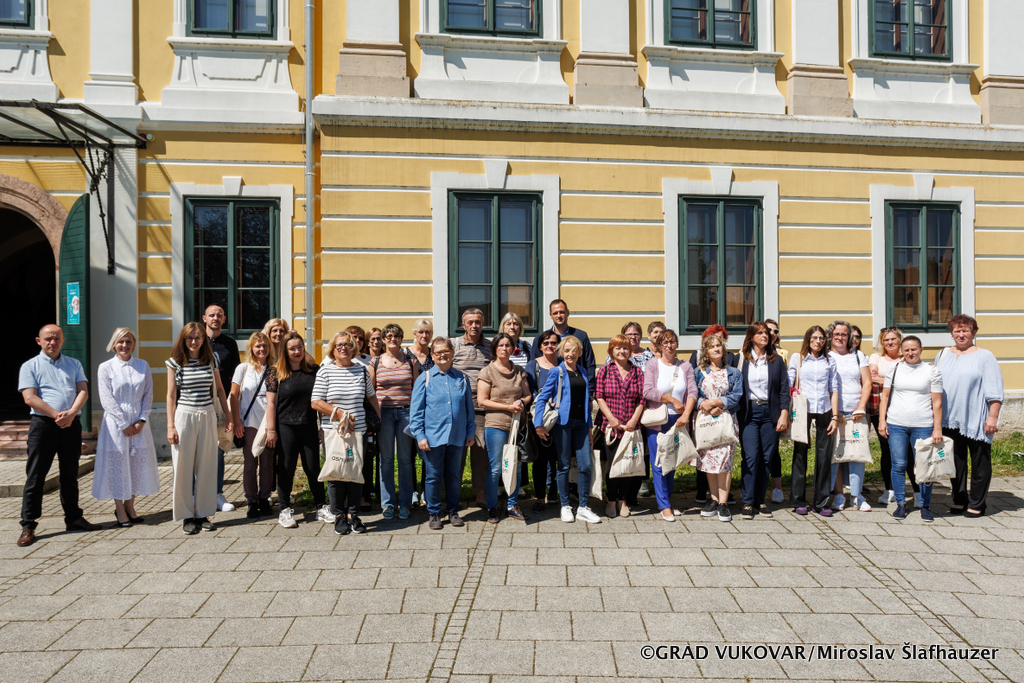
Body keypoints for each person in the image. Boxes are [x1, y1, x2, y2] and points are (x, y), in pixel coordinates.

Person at [17, 324, 102, 546]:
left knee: (70, 473)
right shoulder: (30, 366)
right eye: (48, 339)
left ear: (63, 341)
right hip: (43, 425)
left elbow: (83, 391)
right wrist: (57, 415)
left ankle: (73, 518)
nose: (52, 342)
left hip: (71, 424)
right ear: (39, 341)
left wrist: (71, 414)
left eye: (56, 338)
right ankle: (28, 524)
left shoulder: (74, 364)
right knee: (36, 475)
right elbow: (29, 397)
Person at [933, 314, 1004, 518]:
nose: (961, 334)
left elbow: (995, 390)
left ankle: (978, 503)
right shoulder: (943, 354)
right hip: (949, 418)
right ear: (951, 333)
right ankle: (960, 499)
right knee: (955, 461)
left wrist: (993, 417)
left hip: (975, 418)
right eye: (957, 331)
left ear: (974, 332)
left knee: (980, 460)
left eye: (965, 330)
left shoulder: (985, 356)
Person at [311, 331, 381, 535]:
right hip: (334, 433)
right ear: (332, 350)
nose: (343, 348)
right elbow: (316, 402)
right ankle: (338, 515)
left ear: (354, 349)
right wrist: (340, 413)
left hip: (358, 431)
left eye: (347, 344)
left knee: (355, 472)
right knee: (336, 472)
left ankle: (353, 514)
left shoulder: (362, 371)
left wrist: (377, 420)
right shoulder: (325, 371)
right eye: (339, 345)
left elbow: (371, 397)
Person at [166, 322, 233, 534]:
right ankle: (187, 516)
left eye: (197, 337)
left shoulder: (211, 360)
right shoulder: (175, 362)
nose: (194, 341)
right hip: (184, 416)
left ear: (203, 339)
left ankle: (203, 513)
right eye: (190, 338)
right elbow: (170, 396)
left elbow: (220, 389)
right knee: (183, 466)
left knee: (206, 466)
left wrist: (228, 416)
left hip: (207, 414)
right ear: (183, 339)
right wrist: (170, 426)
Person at [93, 327, 159, 527]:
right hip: (115, 423)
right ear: (114, 344)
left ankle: (130, 506)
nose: (124, 345)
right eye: (120, 341)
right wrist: (123, 424)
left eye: (128, 341)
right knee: (118, 463)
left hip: (139, 423)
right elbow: (106, 398)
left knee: (136, 464)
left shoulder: (142, 365)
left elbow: (148, 394)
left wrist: (141, 420)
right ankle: (119, 509)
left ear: (134, 344)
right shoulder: (106, 367)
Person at [266, 331, 331, 528]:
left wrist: (321, 426)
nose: (297, 352)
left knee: (313, 468)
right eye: (292, 348)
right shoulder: (275, 373)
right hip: (285, 427)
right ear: (285, 351)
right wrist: (271, 430)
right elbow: (271, 403)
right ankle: (284, 509)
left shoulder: (313, 371)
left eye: (300, 347)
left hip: (309, 425)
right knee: (286, 468)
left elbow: (320, 400)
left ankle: (321, 506)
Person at [410, 337, 476, 530]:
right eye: (438, 352)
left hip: (457, 436)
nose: (442, 355)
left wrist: (470, 431)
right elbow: (416, 412)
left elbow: (468, 409)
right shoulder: (425, 378)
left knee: (454, 476)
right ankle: (434, 513)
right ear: (432, 355)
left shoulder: (462, 378)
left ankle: (453, 511)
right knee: (433, 476)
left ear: (452, 353)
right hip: (433, 437)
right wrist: (420, 435)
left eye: (446, 351)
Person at [535, 335, 601, 524]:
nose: (570, 354)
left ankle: (583, 507)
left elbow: (586, 402)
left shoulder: (582, 371)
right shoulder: (556, 371)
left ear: (579, 352)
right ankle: (565, 506)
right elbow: (542, 398)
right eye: (566, 350)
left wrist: (589, 428)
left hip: (581, 425)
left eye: (574, 350)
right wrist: (538, 424)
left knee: (585, 466)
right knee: (563, 465)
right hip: (563, 424)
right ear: (561, 353)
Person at [878, 336, 943, 522]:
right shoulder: (894, 369)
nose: (910, 353)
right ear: (902, 351)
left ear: (921, 349)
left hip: (923, 425)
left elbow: (937, 402)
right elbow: (885, 396)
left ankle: (925, 505)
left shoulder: (931, 371)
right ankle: (900, 504)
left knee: (924, 466)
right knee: (898, 464)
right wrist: (882, 420)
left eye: (914, 349)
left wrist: (937, 428)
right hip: (896, 424)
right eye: (906, 350)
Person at [642, 329, 697, 522]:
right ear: (659, 345)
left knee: (671, 463)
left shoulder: (685, 366)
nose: (669, 345)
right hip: (658, 420)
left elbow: (692, 392)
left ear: (677, 344)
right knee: (658, 462)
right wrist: (672, 400)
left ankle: (667, 500)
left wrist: (686, 414)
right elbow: (648, 391)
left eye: (672, 341)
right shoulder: (653, 364)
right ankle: (664, 505)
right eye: (665, 342)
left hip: (678, 420)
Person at [737, 322, 790, 521]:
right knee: (751, 457)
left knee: (767, 458)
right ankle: (747, 501)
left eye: (766, 333)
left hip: (771, 413)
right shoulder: (741, 359)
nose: (765, 336)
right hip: (749, 413)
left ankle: (760, 500)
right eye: (759, 333)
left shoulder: (776, 360)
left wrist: (784, 413)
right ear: (751, 336)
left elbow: (784, 389)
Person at [478, 333, 532, 522]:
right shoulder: (487, 371)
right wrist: (508, 407)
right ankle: (492, 507)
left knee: (515, 466)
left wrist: (521, 402)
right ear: (494, 349)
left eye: (508, 345)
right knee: (496, 467)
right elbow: (482, 401)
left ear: (512, 348)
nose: (504, 348)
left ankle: (512, 504)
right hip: (496, 425)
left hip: (516, 425)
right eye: (500, 345)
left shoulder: (519, 370)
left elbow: (527, 394)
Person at [787, 326, 838, 517]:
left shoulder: (829, 360)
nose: (818, 341)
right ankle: (798, 500)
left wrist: (835, 416)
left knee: (824, 455)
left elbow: (833, 388)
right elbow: (789, 382)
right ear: (808, 339)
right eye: (815, 338)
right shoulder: (798, 358)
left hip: (824, 408)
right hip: (803, 408)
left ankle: (821, 502)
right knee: (800, 453)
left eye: (822, 338)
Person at [687, 324, 739, 507]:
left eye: (719, 345)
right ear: (706, 352)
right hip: (706, 421)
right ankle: (714, 500)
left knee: (725, 462)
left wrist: (716, 403)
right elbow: (693, 394)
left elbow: (736, 395)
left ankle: (723, 503)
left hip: (726, 420)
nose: (716, 348)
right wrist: (706, 406)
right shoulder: (698, 373)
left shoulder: (733, 372)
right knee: (709, 462)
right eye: (712, 346)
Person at [595, 334, 645, 518]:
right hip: (611, 428)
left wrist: (634, 420)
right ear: (611, 351)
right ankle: (610, 500)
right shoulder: (604, 371)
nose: (622, 351)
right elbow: (599, 396)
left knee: (628, 465)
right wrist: (611, 418)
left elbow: (642, 399)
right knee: (613, 465)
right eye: (618, 348)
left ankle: (622, 500)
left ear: (630, 351)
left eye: (625, 348)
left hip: (631, 428)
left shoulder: (638, 372)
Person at [869, 327, 919, 506]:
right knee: (886, 449)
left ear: (900, 340)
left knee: (908, 451)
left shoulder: (906, 357)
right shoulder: (876, 358)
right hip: (880, 411)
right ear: (882, 343)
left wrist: (885, 381)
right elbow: (872, 378)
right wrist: (898, 382)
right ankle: (889, 490)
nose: (889, 342)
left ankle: (917, 490)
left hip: (903, 409)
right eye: (886, 340)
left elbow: (913, 380)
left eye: (893, 339)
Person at [230, 332, 277, 519]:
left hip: (267, 422)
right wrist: (236, 421)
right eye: (258, 346)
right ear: (251, 348)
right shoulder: (243, 368)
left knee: (267, 464)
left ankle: (264, 498)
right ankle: (251, 500)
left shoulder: (274, 369)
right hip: (248, 421)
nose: (262, 349)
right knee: (250, 464)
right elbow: (233, 395)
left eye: (265, 346)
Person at [374, 323, 418, 521]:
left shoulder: (410, 360)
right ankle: (388, 503)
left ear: (401, 339)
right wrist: (375, 415)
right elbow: (371, 392)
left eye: (397, 336)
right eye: (389, 336)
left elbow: (417, 389)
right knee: (386, 459)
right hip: (384, 414)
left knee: (405, 459)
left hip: (406, 413)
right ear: (384, 339)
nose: (393, 339)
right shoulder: (375, 362)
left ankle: (406, 503)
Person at [827, 320, 872, 513]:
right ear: (830, 336)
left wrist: (860, 407)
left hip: (856, 414)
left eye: (844, 334)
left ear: (850, 337)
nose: (840, 337)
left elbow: (867, 383)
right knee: (837, 455)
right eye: (836, 334)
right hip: (834, 414)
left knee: (857, 455)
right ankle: (839, 495)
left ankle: (856, 495)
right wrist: (834, 413)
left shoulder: (858, 356)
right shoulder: (826, 356)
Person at [452, 308, 492, 507]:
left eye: (477, 322)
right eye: (470, 322)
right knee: (456, 452)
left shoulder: (490, 346)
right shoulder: (454, 345)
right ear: (463, 325)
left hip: (481, 406)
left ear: (482, 324)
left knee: (481, 451)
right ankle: (453, 495)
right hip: (458, 407)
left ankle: (481, 494)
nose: (474, 325)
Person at [202, 304, 238, 513]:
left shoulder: (230, 344)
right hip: (198, 402)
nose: (215, 318)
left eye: (219, 315)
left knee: (218, 448)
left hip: (221, 402)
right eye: (212, 315)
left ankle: (217, 494)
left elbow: (235, 376)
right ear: (204, 318)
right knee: (197, 450)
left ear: (224, 319)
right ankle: (197, 495)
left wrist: (231, 409)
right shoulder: (196, 341)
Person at [525, 330, 561, 514]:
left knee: (558, 458)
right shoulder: (533, 365)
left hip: (561, 419)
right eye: (546, 343)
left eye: (553, 343)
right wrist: (545, 401)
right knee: (541, 460)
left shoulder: (564, 363)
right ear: (540, 346)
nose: (550, 346)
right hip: (541, 418)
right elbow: (529, 390)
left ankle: (554, 492)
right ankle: (540, 497)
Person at [530, 299, 596, 390]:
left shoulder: (581, 336)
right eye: (555, 313)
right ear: (550, 315)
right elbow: (534, 365)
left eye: (562, 312)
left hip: (577, 387)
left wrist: (589, 390)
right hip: (550, 389)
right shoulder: (541, 339)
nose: (559, 316)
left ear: (567, 313)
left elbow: (590, 364)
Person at [405, 318, 435, 508]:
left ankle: (426, 490)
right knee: (408, 455)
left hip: (430, 411)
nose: (424, 335)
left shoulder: (435, 355)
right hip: (408, 409)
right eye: (421, 332)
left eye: (428, 332)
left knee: (427, 453)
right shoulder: (405, 355)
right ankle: (411, 492)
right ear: (414, 334)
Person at [764, 319, 788, 503]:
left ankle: (777, 488)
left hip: (775, 407)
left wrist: (784, 412)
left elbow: (785, 383)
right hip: (756, 407)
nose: (772, 333)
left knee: (774, 451)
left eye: (775, 331)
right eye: (769, 330)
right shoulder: (745, 354)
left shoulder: (782, 354)